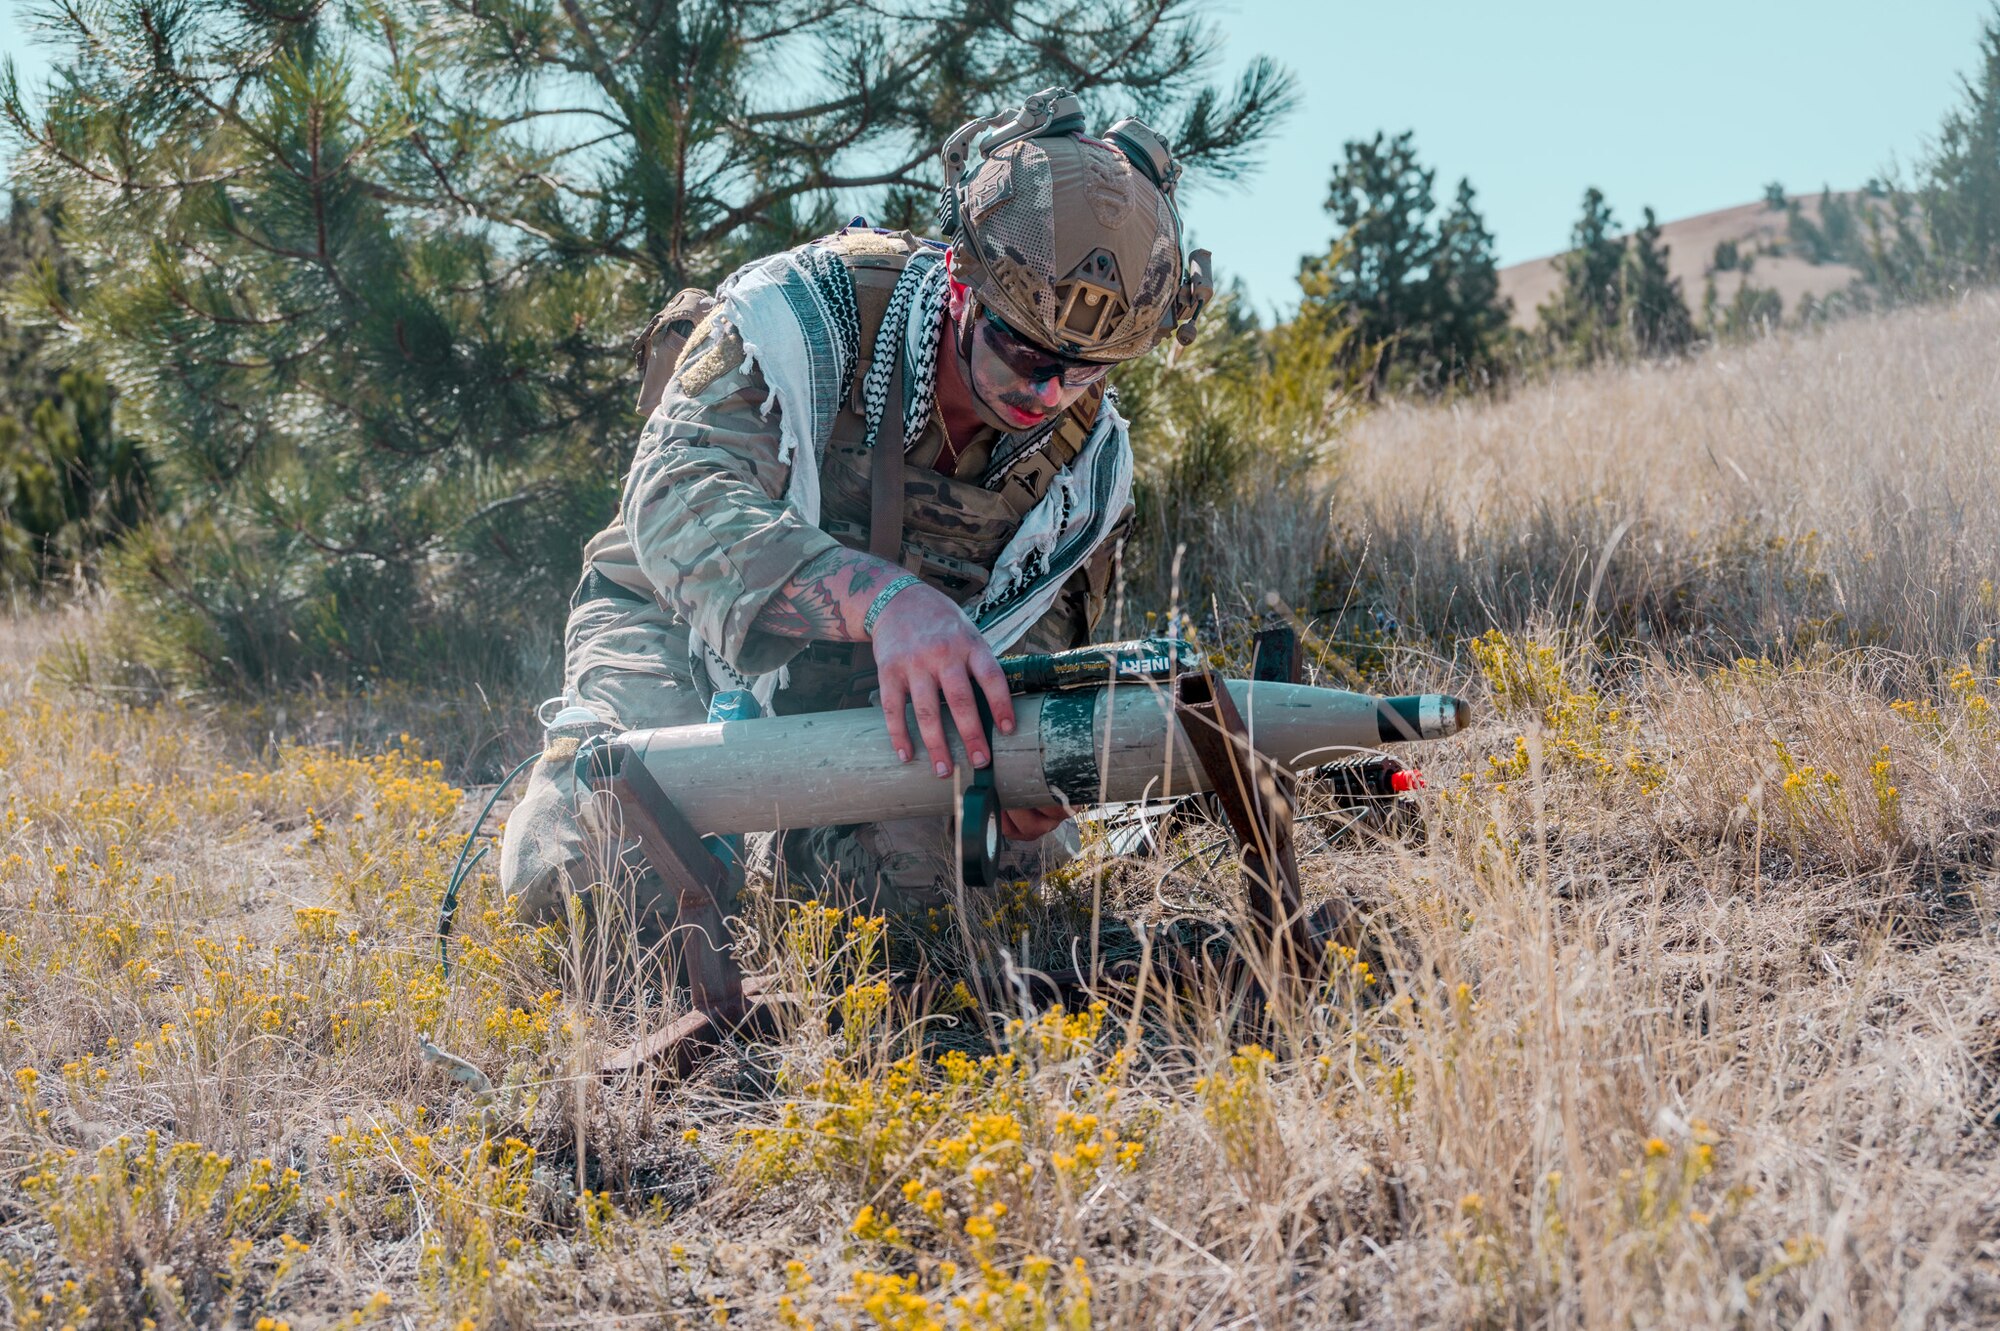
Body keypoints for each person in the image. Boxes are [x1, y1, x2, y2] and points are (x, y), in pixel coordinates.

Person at [498, 87, 1213, 955]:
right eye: (1022, 351)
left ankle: (795, 854)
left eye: (1085, 370)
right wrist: (883, 601)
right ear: (961, 280)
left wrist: (1021, 775)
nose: (1045, 393)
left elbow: (1032, 648)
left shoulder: (1086, 468)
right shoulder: (802, 317)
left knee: (920, 907)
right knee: (583, 886)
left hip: (893, 700)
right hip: (678, 625)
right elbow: (675, 500)